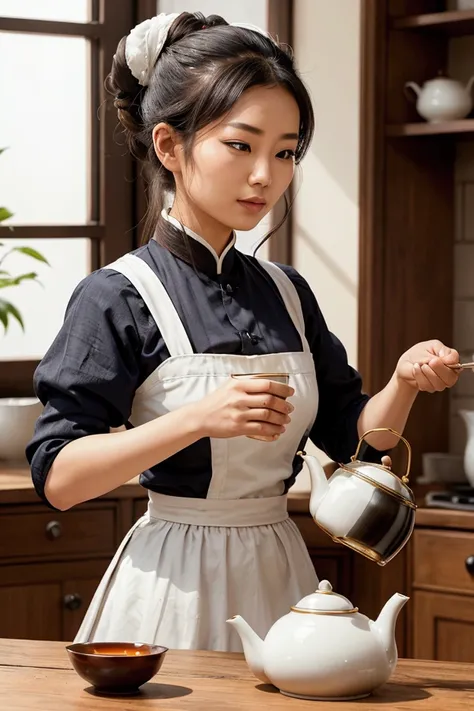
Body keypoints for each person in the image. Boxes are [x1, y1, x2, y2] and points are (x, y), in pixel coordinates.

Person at [26, 11, 460, 652]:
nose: (266, 174)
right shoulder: (117, 295)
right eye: (241, 144)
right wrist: (198, 418)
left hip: (281, 573)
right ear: (170, 146)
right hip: (172, 584)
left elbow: (353, 442)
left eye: (285, 151)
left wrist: (403, 382)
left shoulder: (288, 291)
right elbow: (60, 479)